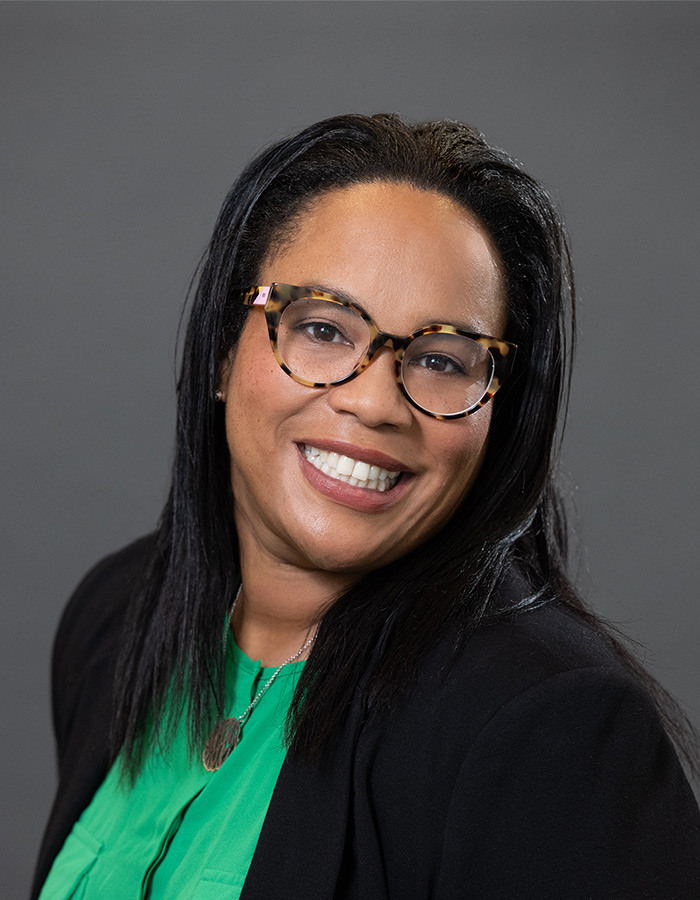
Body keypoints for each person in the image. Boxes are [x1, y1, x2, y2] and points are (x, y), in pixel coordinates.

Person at [33, 113, 700, 900]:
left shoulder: (549, 729)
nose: (375, 402)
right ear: (222, 351)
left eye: (443, 360)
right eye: (322, 327)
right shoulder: (120, 618)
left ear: (499, 417)